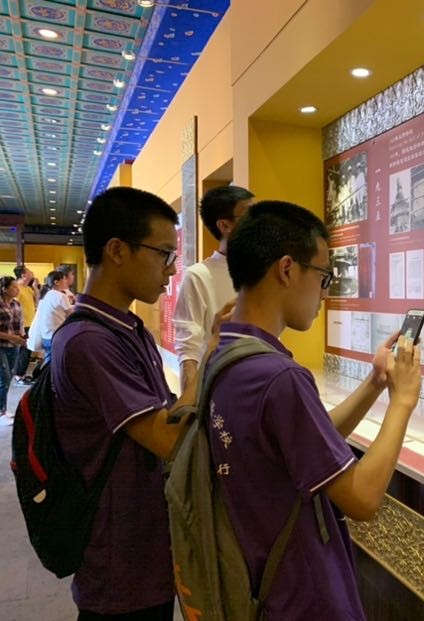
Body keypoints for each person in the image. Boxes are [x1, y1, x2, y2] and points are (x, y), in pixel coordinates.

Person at [205, 200, 422, 619]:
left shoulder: (226, 351)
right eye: (323, 277)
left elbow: (311, 438)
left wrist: (376, 382)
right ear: (287, 269)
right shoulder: (278, 377)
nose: (324, 294)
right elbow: (362, 499)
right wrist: (403, 402)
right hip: (299, 595)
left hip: (257, 585)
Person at [51, 187, 229, 620]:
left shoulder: (128, 329)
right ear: (117, 250)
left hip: (146, 550)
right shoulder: (89, 342)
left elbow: (169, 416)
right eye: (164, 254)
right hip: (119, 563)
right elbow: (168, 439)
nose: (171, 269)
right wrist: (211, 352)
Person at [173, 185, 253, 393]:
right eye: (250, 215)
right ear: (224, 225)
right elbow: (188, 350)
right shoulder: (198, 276)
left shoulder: (265, 270)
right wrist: (191, 407)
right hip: (220, 389)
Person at [28, 270, 73, 364]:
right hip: (57, 335)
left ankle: (46, 373)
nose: (66, 281)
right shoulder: (61, 296)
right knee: (58, 362)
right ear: (56, 282)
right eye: (64, 279)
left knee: (49, 361)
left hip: (46, 335)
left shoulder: (46, 295)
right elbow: (71, 315)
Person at [0, 276, 25, 423]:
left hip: (14, 346)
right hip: (1, 346)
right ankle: (2, 410)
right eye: (14, 287)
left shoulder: (17, 304)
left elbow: (20, 323)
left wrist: (21, 337)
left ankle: (3, 408)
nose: (17, 289)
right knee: (5, 377)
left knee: (9, 379)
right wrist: (13, 338)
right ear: (4, 289)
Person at [13, 264, 39, 384]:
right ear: (24, 275)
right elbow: (13, 306)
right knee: (24, 350)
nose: (31, 272)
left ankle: (21, 374)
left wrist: (35, 288)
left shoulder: (28, 288)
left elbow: (37, 302)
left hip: (31, 323)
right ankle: (18, 376)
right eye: (29, 271)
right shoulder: (16, 288)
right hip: (22, 324)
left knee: (27, 350)